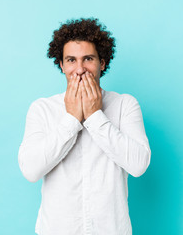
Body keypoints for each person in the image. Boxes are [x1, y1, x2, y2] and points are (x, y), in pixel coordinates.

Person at [18, 18, 151, 235]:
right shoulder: (42, 109)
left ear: (103, 63)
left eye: (88, 59)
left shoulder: (125, 105)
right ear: (61, 65)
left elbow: (138, 165)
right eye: (71, 60)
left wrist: (94, 115)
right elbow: (31, 170)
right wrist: (71, 119)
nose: (79, 69)